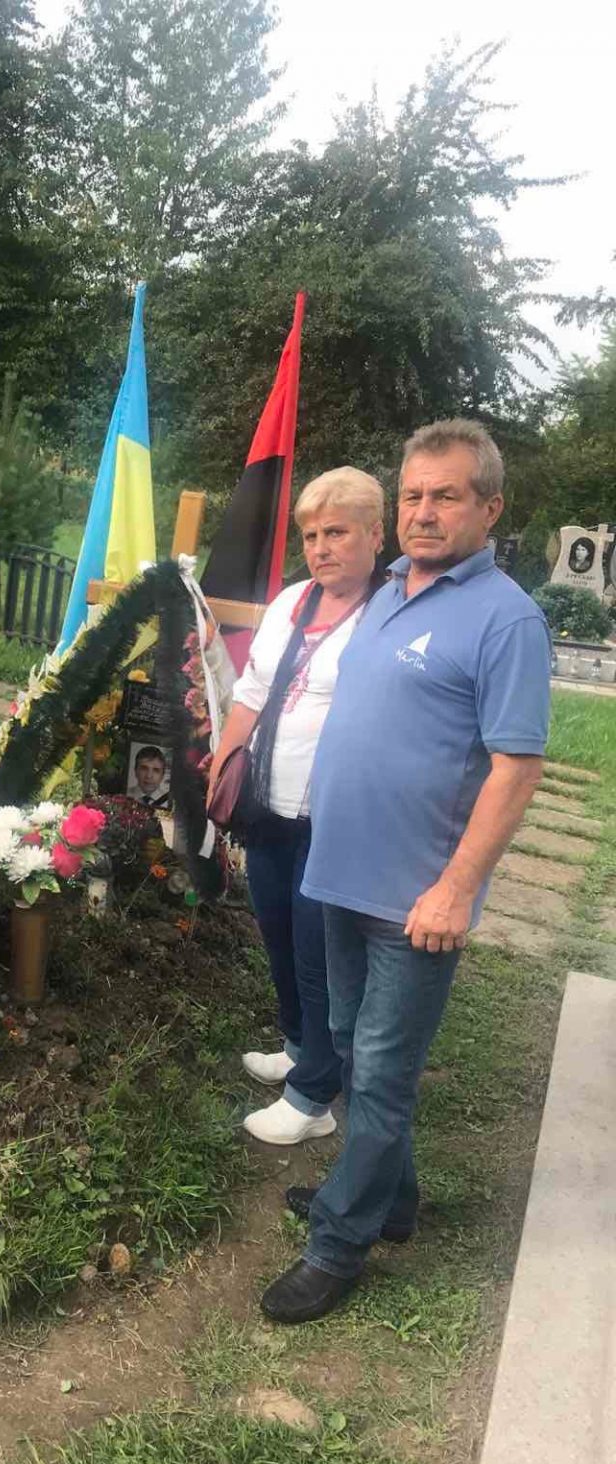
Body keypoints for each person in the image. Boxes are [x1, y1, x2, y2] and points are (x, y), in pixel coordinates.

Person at [261, 420, 551, 1324]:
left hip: (417, 900)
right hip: (339, 874)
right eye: (414, 494)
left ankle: (338, 1245)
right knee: (352, 1048)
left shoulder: (507, 618)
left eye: (447, 495)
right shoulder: (387, 592)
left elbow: (516, 767)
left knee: (382, 1072)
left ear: (489, 508)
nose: (425, 512)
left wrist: (457, 888)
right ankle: (390, 1200)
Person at [208, 468, 385, 1146]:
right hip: (268, 805)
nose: (320, 547)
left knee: (319, 953)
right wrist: (223, 766)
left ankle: (313, 1098)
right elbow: (252, 690)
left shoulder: (388, 612)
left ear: (375, 534)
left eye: (336, 532)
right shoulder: (291, 601)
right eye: (310, 536)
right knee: (276, 929)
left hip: (336, 815)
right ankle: (298, 1044)